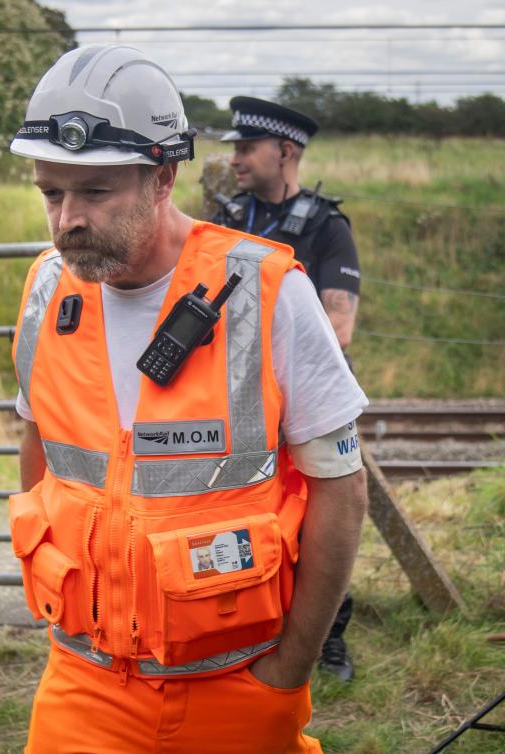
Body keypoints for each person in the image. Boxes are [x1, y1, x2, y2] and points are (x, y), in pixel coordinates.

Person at [7, 45, 369, 753]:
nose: (66, 221)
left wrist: (289, 668)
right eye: (52, 193)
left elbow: (342, 488)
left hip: (236, 685)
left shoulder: (268, 292)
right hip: (82, 680)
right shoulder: (47, 291)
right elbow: (39, 446)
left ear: (163, 177)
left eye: (96, 192)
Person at [213, 97, 362, 681]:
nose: (236, 158)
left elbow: (339, 326)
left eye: (247, 148)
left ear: (286, 152)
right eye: (235, 148)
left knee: (323, 517)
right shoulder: (225, 219)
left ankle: (327, 639)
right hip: (230, 406)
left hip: (301, 406)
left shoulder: (327, 227)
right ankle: (244, 627)